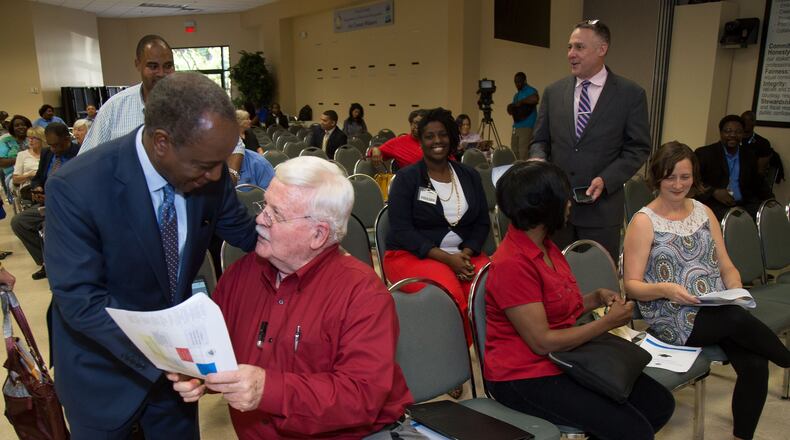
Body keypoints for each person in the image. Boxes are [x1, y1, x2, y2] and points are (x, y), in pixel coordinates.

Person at [44, 73, 258, 439]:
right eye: (206, 165)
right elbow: (82, 302)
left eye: (221, 163)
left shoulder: (209, 173)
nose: (218, 175)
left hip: (175, 384)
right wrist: (170, 359)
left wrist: (300, 225)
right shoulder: (77, 186)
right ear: (162, 142)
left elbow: (247, 234)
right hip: (103, 369)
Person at [168, 156, 414, 438]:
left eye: (275, 214)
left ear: (318, 234)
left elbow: (360, 396)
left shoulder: (362, 294)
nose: (259, 219)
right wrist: (196, 374)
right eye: (264, 206)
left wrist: (267, 389)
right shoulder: (241, 275)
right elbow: (215, 351)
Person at [485, 160, 674, 439]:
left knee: (659, 405)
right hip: (523, 375)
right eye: (565, 198)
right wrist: (607, 323)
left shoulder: (546, 245)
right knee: (633, 430)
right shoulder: (512, 263)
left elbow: (556, 309)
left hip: (563, 356)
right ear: (545, 206)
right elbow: (541, 341)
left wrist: (595, 299)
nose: (571, 203)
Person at [623, 141, 790, 440]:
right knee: (736, 320)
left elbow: (726, 265)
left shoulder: (703, 211)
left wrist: (735, 288)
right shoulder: (643, 221)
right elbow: (631, 285)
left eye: (684, 177)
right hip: (672, 313)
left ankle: (742, 436)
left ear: (694, 177)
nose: (677, 184)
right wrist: (666, 289)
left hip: (715, 306)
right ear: (657, 178)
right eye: (670, 177)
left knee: (754, 362)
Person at [529, 20, 651, 262]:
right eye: (569, 47)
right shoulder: (553, 93)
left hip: (601, 211)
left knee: (598, 283)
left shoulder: (630, 95)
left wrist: (607, 179)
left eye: (579, 47)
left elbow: (638, 148)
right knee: (556, 279)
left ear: (602, 49)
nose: (571, 54)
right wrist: (537, 158)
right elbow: (539, 140)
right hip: (557, 209)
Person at [79, 34, 246, 182]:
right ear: (137, 64)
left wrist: (231, 176)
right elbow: (84, 163)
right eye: (153, 66)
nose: (161, 73)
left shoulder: (196, 102)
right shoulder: (114, 108)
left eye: (168, 66)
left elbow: (235, 145)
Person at [384, 107, 490, 336]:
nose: (437, 141)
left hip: (464, 254)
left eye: (442, 134)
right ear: (420, 142)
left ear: (451, 137)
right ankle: (452, 361)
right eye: (429, 136)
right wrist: (448, 260)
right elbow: (402, 230)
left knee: (491, 290)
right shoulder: (407, 178)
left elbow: (482, 222)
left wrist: (466, 255)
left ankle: (490, 357)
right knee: (449, 297)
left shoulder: (469, 175)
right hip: (411, 255)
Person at [11, 122, 79, 280]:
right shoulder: (48, 153)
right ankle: (46, 262)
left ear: (67, 139)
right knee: (19, 222)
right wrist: (38, 188)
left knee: (49, 226)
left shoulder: (80, 153)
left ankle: (60, 262)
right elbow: (37, 179)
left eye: (57, 145)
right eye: (51, 145)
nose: (54, 149)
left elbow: (83, 187)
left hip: (69, 205)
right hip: (46, 203)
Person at [695, 115, 770, 220]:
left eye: (738, 132)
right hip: (714, 204)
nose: (733, 135)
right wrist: (714, 191)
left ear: (743, 134)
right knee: (734, 221)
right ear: (721, 133)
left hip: (744, 204)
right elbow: (695, 181)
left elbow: (758, 182)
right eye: (728, 131)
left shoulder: (749, 155)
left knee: (767, 217)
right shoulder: (705, 153)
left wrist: (771, 201)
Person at [741, 110, 783, 187]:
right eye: (744, 120)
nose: (747, 122)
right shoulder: (733, 140)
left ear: (755, 123)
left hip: (751, 182)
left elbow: (760, 171)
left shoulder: (763, 143)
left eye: (751, 120)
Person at [507, 72, 539, 160]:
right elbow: (514, 109)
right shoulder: (516, 95)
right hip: (516, 126)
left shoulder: (530, 90)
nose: (517, 84)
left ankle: (523, 172)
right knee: (514, 152)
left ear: (525, 81)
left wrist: (521, 102)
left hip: (527, 126)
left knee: (523, 152)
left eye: (519, 82)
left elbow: (535, 99)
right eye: (516, 82)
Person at [12, 126, 44, 199]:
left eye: (33, 138)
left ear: (42, 139)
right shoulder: (22, 155)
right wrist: (30, 175)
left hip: (46, 184)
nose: (30, 140)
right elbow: (15, 180)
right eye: (28, 138)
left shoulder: (49, 153)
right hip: (29, 187)